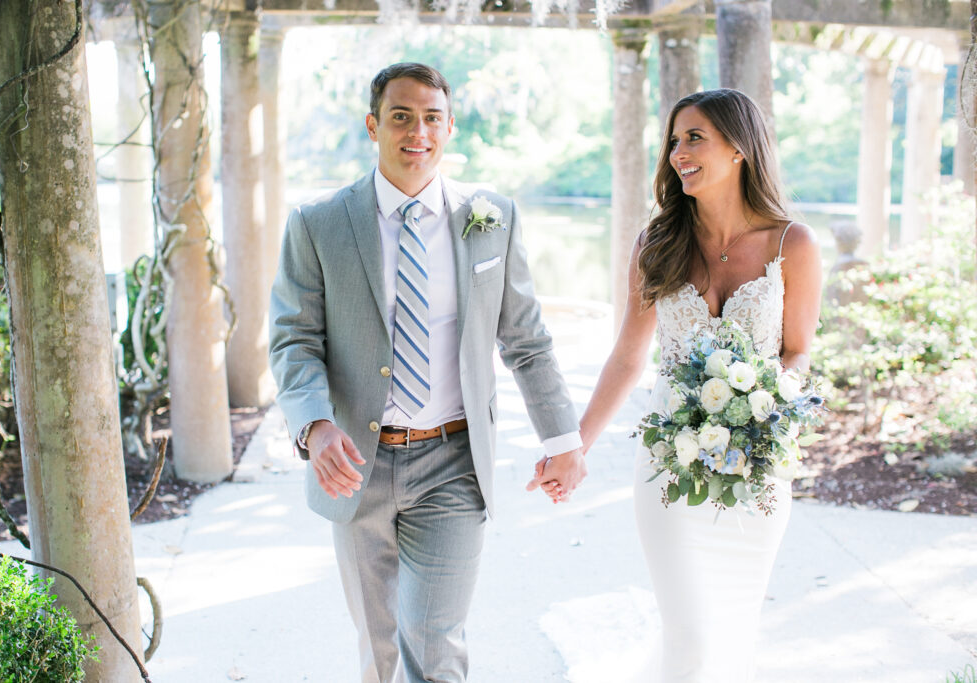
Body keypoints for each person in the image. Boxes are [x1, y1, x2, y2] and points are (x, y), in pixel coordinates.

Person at [268, 62, 586, 683]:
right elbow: (294, 338)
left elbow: (526, 339)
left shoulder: (491, 217)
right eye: (401, 116)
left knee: (435, 643)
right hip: (355, 465)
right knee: (379, 646)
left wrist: (563, 439)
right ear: (373, 125)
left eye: (431, 117)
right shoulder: (318, 224)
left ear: (449, 127)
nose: (418, 131)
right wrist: (314, 426)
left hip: (453, 463)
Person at [572, 88, 822, 681]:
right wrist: (574, 446)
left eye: (694, 138)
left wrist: (762, 405)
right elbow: (629, 357)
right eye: (674, 141)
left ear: (739, 148)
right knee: (690, 632)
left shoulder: (794, 244)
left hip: (756, 470)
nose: (678, 152)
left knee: (730, 632)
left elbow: (797, 352)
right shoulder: (656, 245)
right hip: (668, 468)